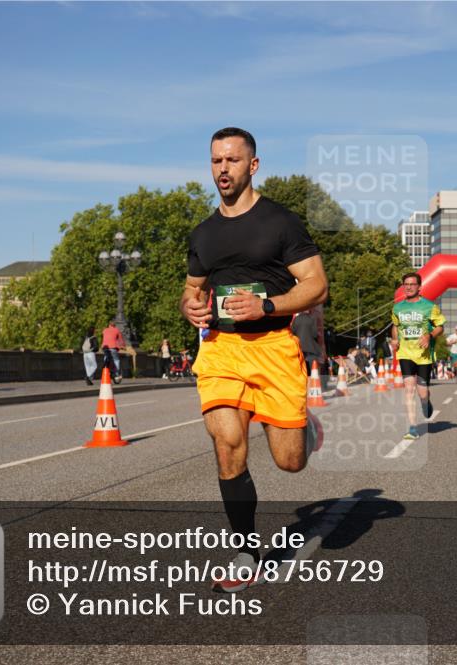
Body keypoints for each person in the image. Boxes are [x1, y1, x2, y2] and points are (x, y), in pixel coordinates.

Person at [180, 127, 328, 593]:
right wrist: (190, 307)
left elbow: (316, 285)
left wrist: (267, 305)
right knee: (227, 444)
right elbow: (192, 288)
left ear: (253, 165)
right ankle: (246, 550)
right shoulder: (203, 232)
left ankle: (306, 428)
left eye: (232, 160)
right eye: (216, 161)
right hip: (221, 349)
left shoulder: (281, 222)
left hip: (274, 347)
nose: (223, 169)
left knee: (290, 462)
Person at [389, 272, 446, 439]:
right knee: (408, 389)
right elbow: (395, 326)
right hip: (405, 352)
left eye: (412, 284)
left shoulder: (429, 306)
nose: (408, 287)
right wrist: (395, 339)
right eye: (406, 284)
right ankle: (413, 428)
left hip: (423, 354)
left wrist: (429, 335)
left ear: (419, 287)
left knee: (422, 392)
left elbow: (440, 327)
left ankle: (425, 401)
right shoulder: (397, 307)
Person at [292, 308, 324, 373]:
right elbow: (314, 334)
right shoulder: (312, 319)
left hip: (299, 348)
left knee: (301, 371)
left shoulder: (296, 319)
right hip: (311, 349)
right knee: (313, 371)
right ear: (308, 310)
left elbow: (292, 332)